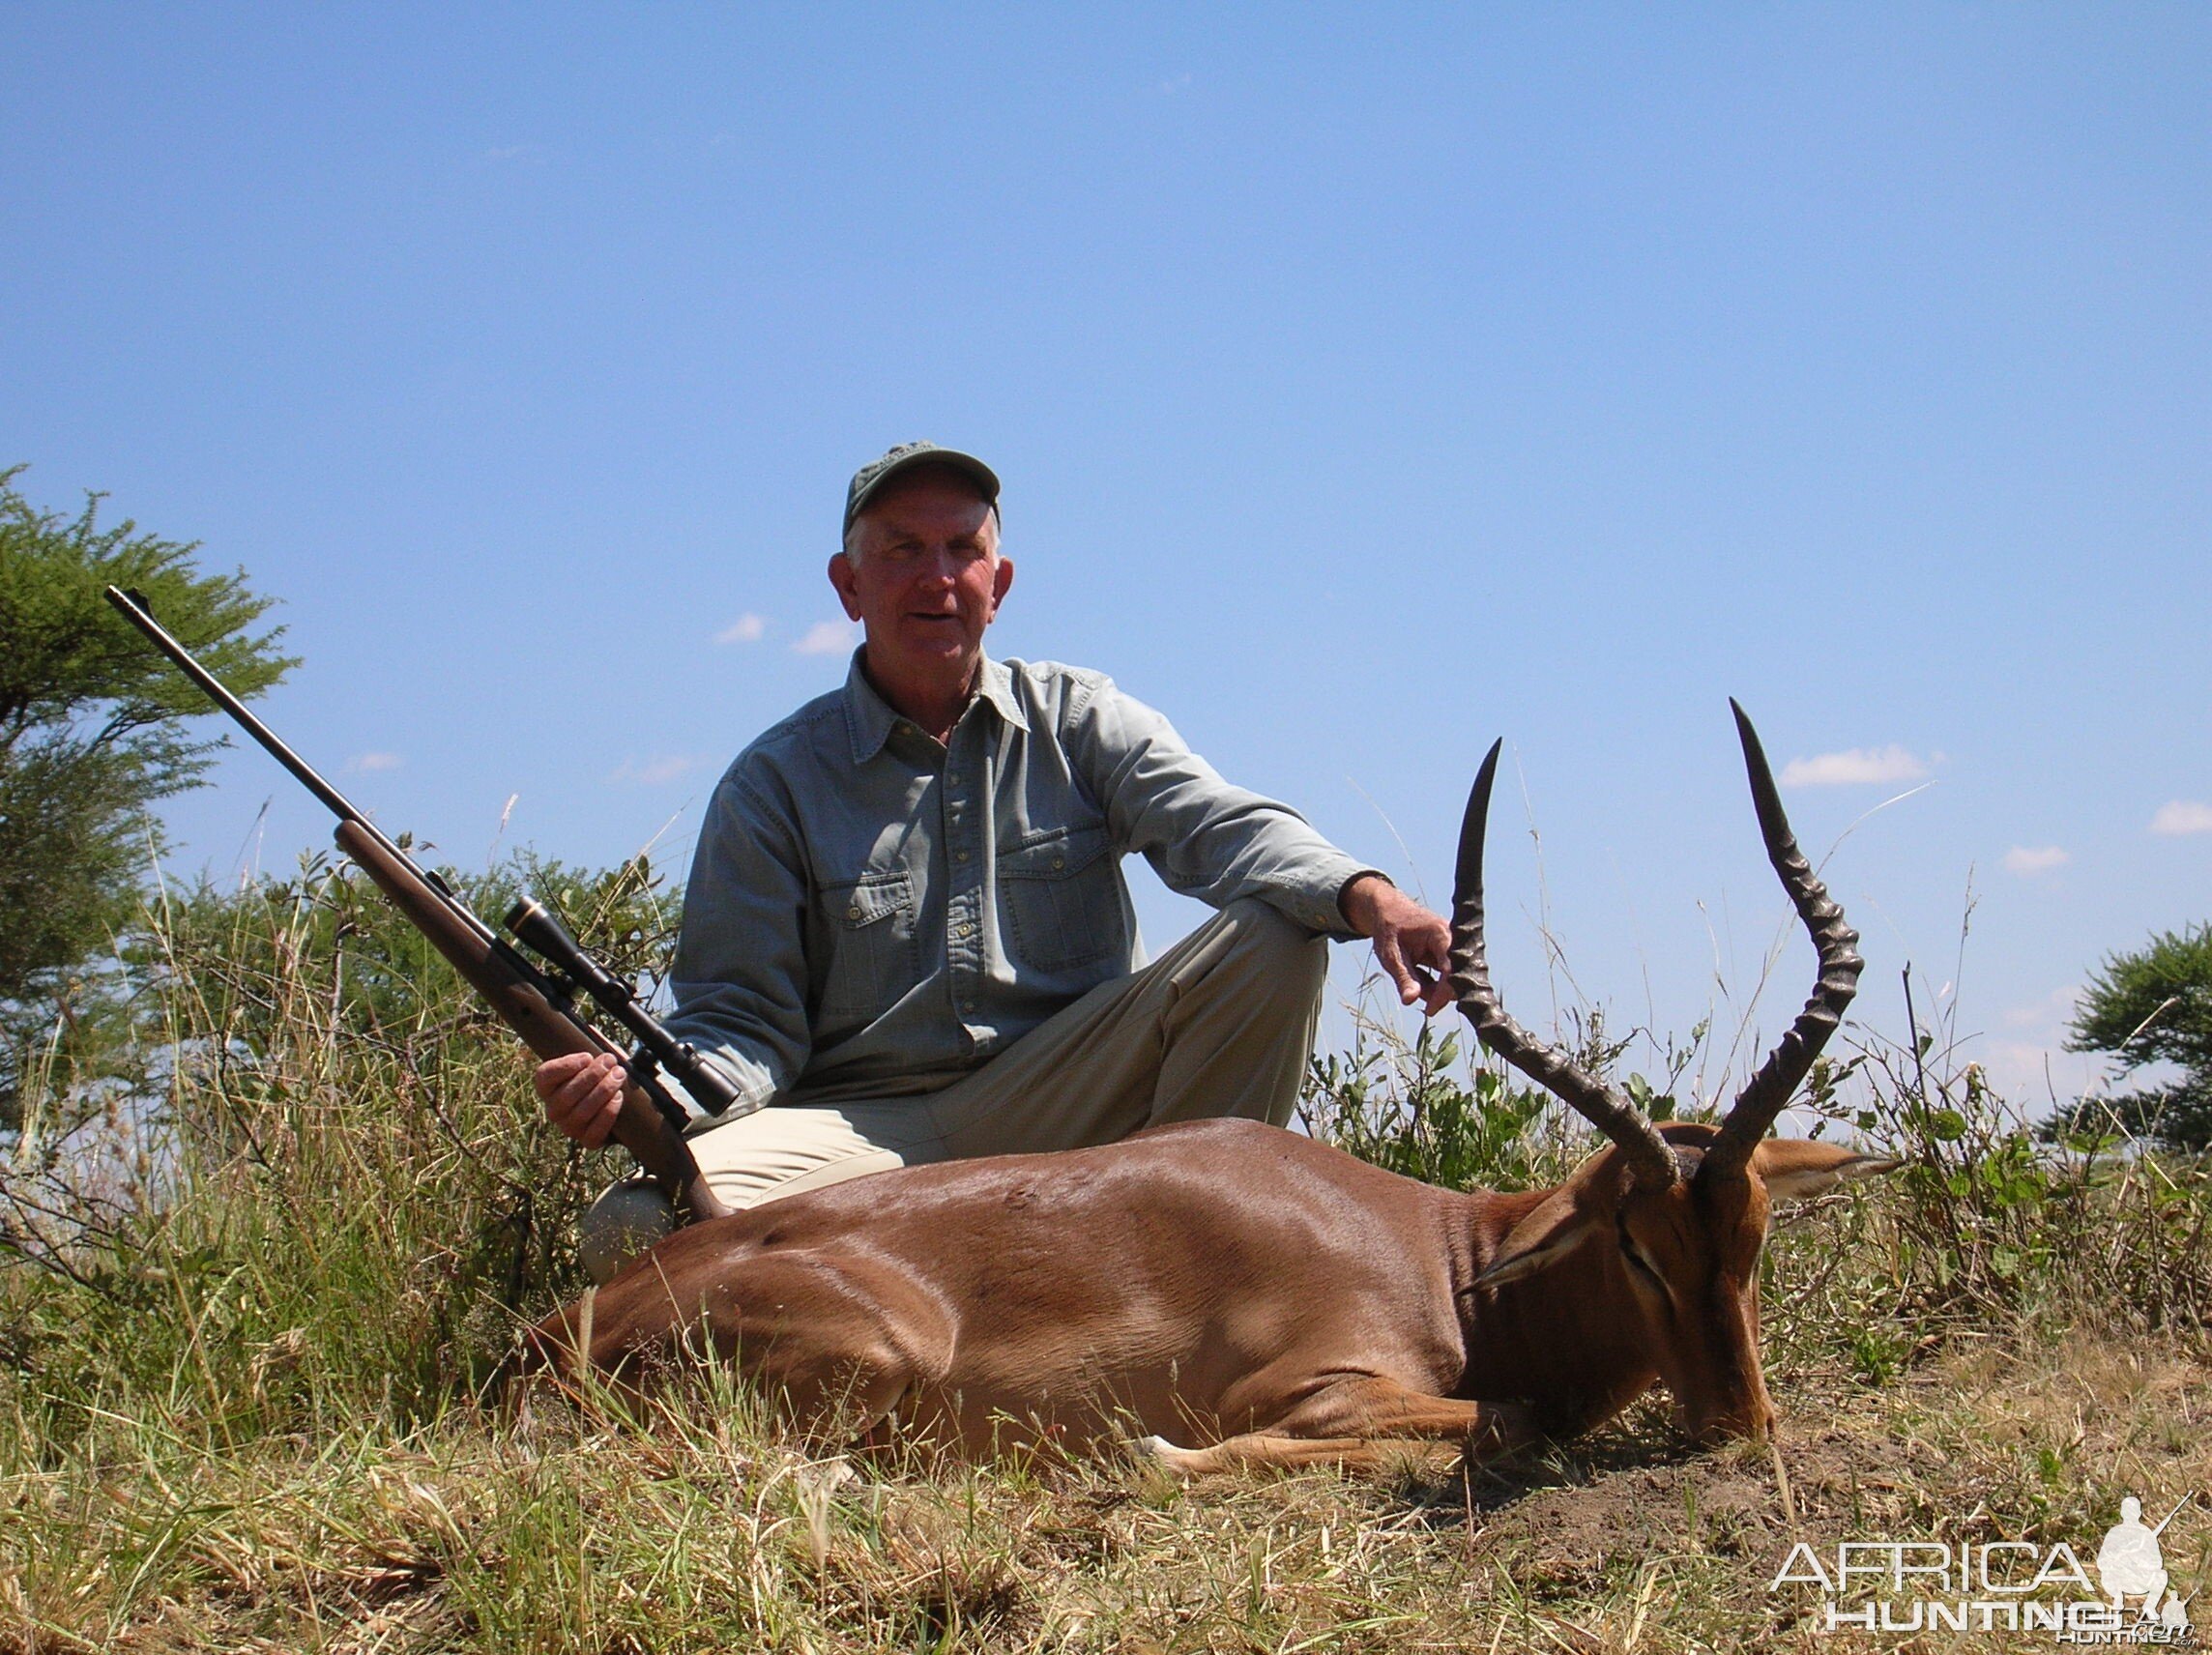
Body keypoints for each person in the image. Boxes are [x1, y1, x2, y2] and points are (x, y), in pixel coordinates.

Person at [536, 443, 1455, 1283]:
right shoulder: (771, 784)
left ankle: (1191, 1276)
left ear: (999, 580)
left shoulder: (1078, 717)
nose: (936, 578)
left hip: (1070, 1097)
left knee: (1276, 938)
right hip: (866, 1125)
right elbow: (742, 1023)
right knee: (637, 1230)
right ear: (847, 586)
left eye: (960, 550)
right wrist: (638, 1092)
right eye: (900, 551)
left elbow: (1222, 827)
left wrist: (1370, 898)